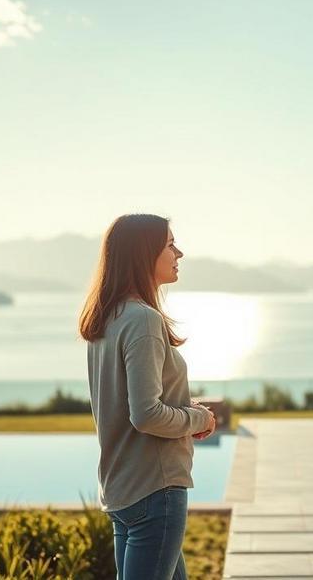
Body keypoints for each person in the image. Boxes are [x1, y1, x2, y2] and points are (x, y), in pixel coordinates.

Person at [79, 213, 215, 580]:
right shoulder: (143, 319)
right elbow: (146, 414)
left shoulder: (107, 318)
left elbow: (129, 404)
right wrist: (199, 418)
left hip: (123, 489)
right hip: (155, 490)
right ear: (144, 254)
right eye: (170, 244)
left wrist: (186, 412)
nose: (179, 253)